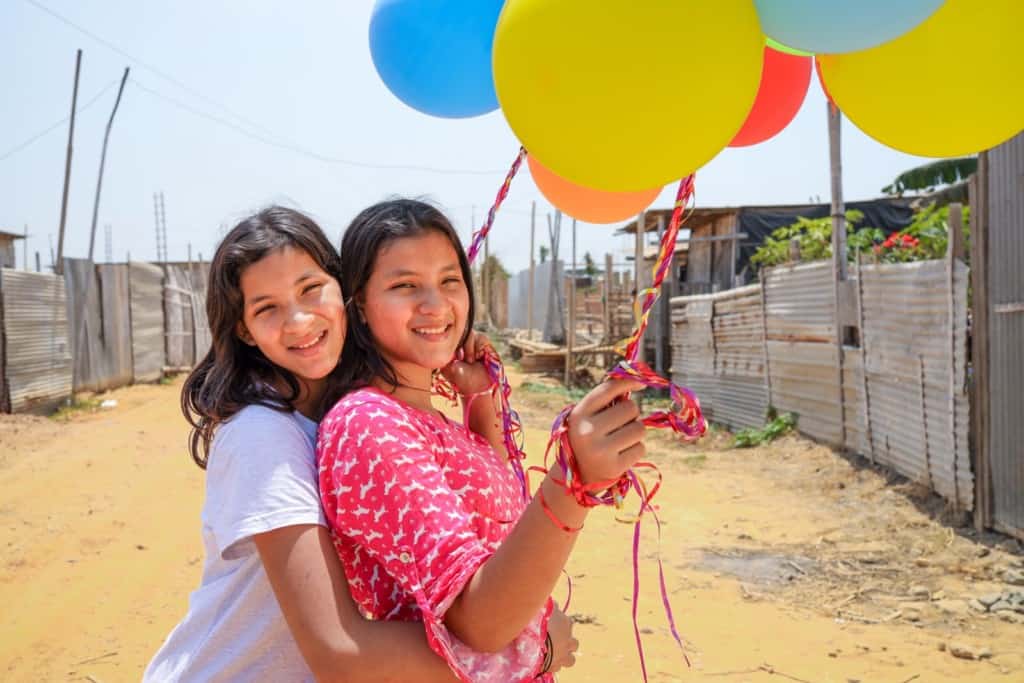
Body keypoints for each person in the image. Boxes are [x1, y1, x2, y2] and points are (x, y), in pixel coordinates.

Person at [144, 207, 576, 682]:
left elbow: (486, 521)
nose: (299, 320)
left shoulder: (345, 407)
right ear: (244, 329)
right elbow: (338, 651)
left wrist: (478, 398)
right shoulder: (266, 434)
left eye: (311, 290)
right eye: (267, 308)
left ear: (343, 293)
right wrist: (528, 650)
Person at [317, 199, 649, 682]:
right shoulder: (368, 423)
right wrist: (573, 479)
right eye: (404, 285)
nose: (436, 304)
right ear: (359, 307)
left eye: (450, 281)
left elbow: (493, 515)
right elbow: (481, 623)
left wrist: (480, 399)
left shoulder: (425, 416)